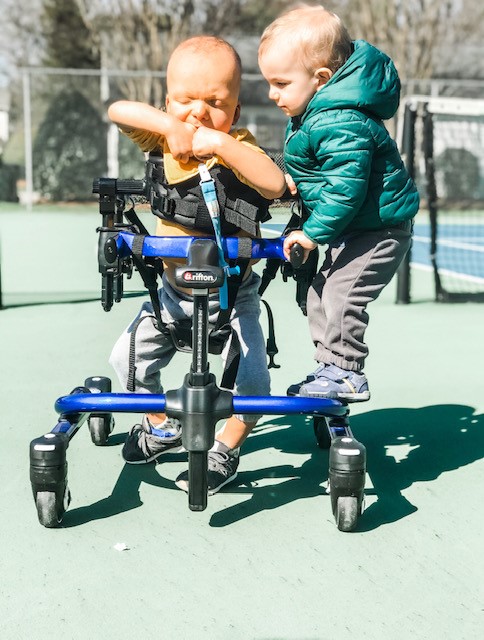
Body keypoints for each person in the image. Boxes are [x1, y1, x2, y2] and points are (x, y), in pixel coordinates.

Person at [108, 35, 286, 494]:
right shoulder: (162, 137)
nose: (199, 112)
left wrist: (222, 145)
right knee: (126, 362)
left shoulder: (240, 148)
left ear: (236, 111)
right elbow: (119, 110)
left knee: (254, 380)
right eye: (186, 101)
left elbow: (274, 184)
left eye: (214, 102)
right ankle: (160, 425)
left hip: (234, 296)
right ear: (168, 102)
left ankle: (227, 445)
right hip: (170, 298)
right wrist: (170, 127)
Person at [258, 4, 419, 401]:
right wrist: (296, 180)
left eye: (280, 83)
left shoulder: (340, 119)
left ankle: (347, 371)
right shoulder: (315, 112)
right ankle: (329, 367)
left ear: (321, 79)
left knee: (341, 294)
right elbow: (324, 171)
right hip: (359, 229)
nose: (271, 93)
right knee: (319, 290)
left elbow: (346, 189)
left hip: (381, 230)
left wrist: (312, 234)